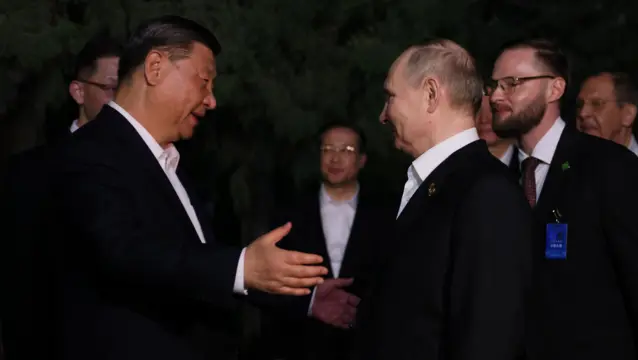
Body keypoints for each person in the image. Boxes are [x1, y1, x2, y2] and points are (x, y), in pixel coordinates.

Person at [46, 15, 328, 360]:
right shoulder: (90, 151)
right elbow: (122, 250)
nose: (211, 100)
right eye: (204, 81)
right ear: (155, 67)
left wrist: (306, 297)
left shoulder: (170, 162)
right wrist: (240, 266)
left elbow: (194, 268)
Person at [352, 39, 532, 360]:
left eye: (391, 97)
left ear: (431, 95)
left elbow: (488, 339)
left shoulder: (487, 193)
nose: (383, 115)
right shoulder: (432, 184)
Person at [488, 38, 638, 360]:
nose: (496, 96)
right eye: (494, 85)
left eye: (513, 83)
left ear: (554, 89)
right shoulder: (493, 180)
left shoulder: (610, 167)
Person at [0, 33, 121, 360]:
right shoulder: (29, 173)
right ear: (78, 91)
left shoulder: (162, 168)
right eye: (112, 88)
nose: (122, 101)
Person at [257, 122, 395, 360]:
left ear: (362, 160)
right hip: (299, 345)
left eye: (346, 150)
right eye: (328, 149)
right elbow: (269, 284)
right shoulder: (289, 212)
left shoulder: (386, 215)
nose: (335, 158)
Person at [576, 71, 638, 155]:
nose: (583, 113)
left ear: (628, 114)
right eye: (580, 105)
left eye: (597, 104)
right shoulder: (567, 163)